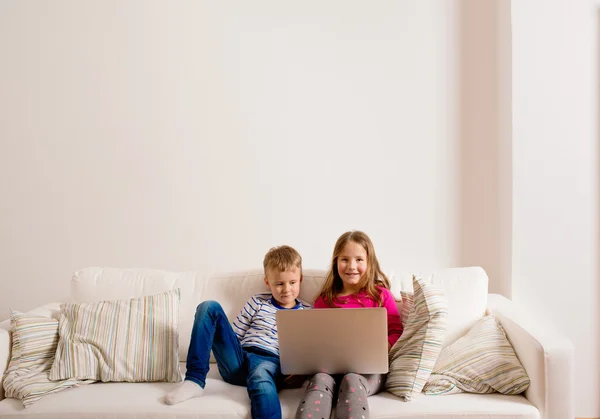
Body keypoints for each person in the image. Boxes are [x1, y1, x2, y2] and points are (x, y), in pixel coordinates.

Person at [165, 245, 311, 419]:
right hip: (239, 362)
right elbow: (234, 336)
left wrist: (302, 369)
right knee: (209, 307)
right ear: (267, 282)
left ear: (300, 279)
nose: (286, 289)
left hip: (271, 363)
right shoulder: (257, 302)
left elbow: (309, 350)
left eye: (292, 283)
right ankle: (194, 380)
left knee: (260, 375)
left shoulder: (307, 312)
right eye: (279, 284)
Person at [295, 231, 403, 419]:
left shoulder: (381, 296)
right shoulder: (325, 300)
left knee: (351, 380)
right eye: (345, 259)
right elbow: (313, 339)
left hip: (368, 372)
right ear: (336, 262)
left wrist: (380, 349)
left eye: (359, 260)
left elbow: (396, 331)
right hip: (328, 371)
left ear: (369, 263)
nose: (352, 266)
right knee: (320, 380)